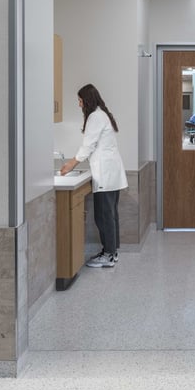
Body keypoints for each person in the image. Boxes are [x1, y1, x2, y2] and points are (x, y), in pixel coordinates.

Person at [59, 83, 128, 268]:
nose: (79, 104)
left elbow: (88, 146)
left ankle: (109, 255)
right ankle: (112, 252)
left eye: (80, 100)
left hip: (106, 173)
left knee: (104, 216)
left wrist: (71, 163)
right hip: (110, 172)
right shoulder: (102, 114)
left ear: (87, 100)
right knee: (110, 214)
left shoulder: (96, 117)